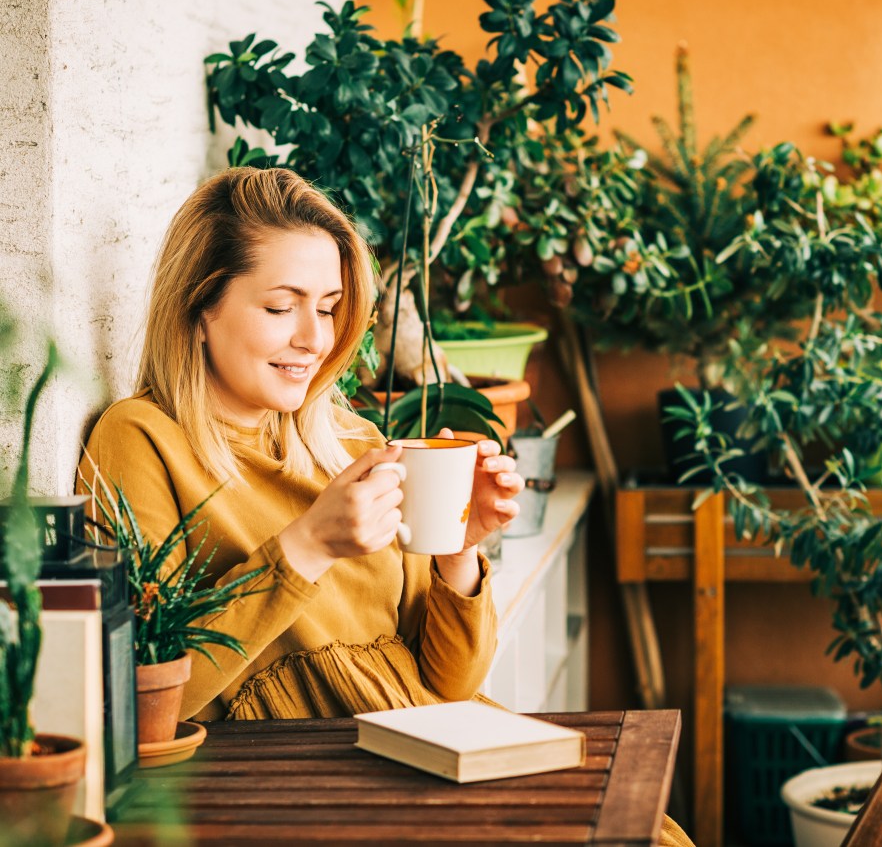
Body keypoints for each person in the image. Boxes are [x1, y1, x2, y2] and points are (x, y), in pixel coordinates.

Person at [78, 166, 692, 846]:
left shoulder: (350, 441)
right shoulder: (140, 439)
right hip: (305, 790)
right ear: (201, 310)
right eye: (282, 307)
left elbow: (450, 685)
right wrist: (306, 547)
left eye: (330, 305)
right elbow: (143, 703)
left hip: (431, 751)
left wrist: (463, 545)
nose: (314, 338)